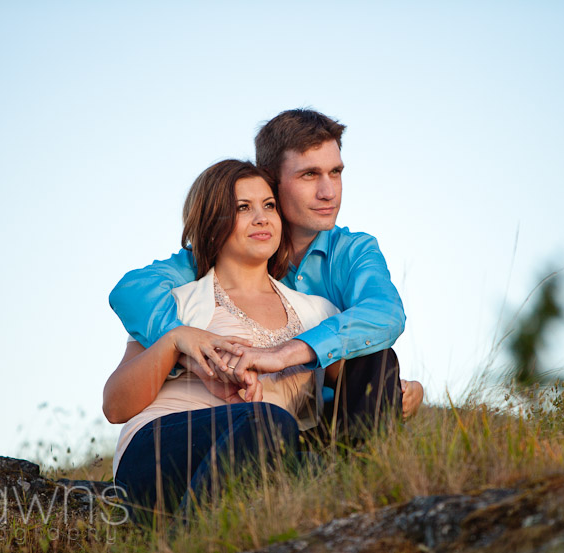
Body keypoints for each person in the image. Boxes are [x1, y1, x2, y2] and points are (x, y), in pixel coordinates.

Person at [109, 108, 422, 440]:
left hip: (320, 414)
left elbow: (384, 314)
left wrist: (285, 353)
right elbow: (132, 290)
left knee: (378, 356)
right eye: (309, 175)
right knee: (266, 427)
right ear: (271, 179)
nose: (328, 191)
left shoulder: (353, 252)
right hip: (244, 426)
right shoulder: (211, 263)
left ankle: (366, 476)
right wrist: (184, 344)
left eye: (336, 172)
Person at [104, 160, 341, 523]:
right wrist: (174, 341)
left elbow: (356, 383)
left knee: (292, 444)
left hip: (259, 453)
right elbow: (116, 407)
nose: (261, 218)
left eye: (269, 205)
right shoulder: (179, 303)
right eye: (243, 208)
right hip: (157, 455)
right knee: (268, 422)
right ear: (212, 222)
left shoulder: (319, 312)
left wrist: (405, 388)